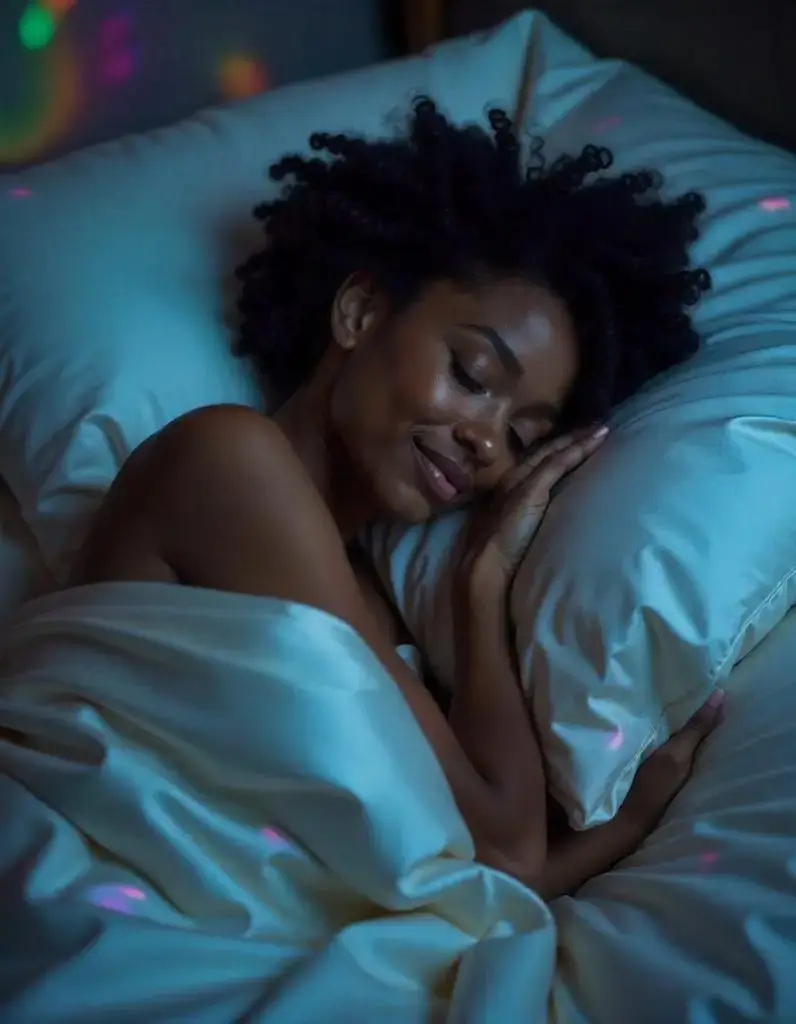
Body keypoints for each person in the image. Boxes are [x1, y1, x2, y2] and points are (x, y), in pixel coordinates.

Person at [68, 98, 723, 899]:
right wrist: (624, 824)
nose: (487, 442)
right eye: (473, 376)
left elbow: (456, 866)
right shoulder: (228, 462)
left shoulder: (374, 592)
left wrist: (480, 587)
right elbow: (503, 850)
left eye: (523, 436)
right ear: (360, 310)